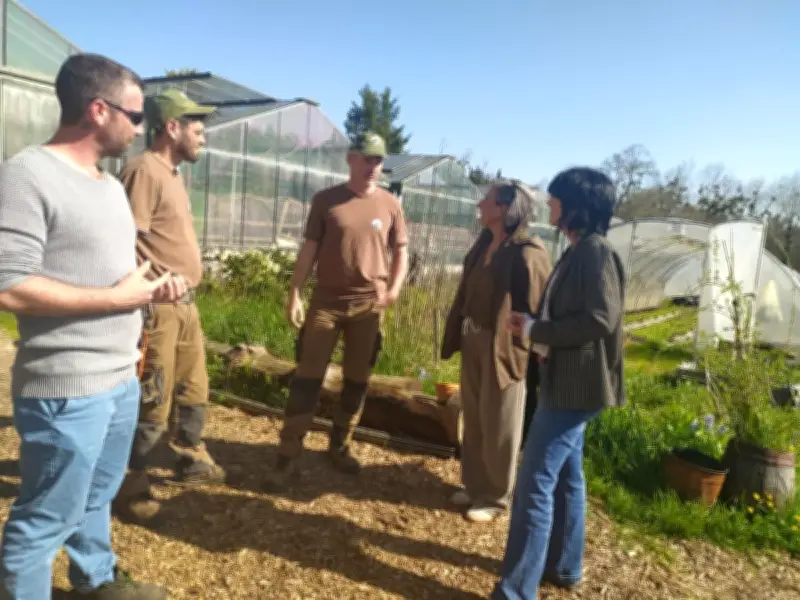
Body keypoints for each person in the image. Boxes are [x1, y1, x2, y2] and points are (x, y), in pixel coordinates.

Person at [0, 53, 179, 600]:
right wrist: (116, 297)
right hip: (66, 386)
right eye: (136, 113)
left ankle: (96, 582)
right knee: (43, 521)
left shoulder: (104, 185)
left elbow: (110, 272)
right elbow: (8, 285)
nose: (140, 126)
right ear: (98, 110)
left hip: (119, 378)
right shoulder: (27, 174)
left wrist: (148, 286)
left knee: (96, 496)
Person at [492, 167, 626, 599]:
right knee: (568, 477)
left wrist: (538, 332)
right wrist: (532, 325)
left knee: (534, 483)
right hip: (570, 381)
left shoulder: (595, 252)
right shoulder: (578, 249)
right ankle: (564, 566)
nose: (550, 204)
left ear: (576, 207)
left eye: (556, 199)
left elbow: (601, 319)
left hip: (575, 387)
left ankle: (516, 592)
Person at [113, 88, 224, 523]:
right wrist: (138, 297)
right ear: (171, 127)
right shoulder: (143, 171)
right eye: (197, 126)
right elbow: (122, 241)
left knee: (193, 391)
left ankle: (187, 456)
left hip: (185, 306)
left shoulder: (172, 173)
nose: (204, 135)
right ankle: (129, 481)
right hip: (157, 309)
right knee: (152, 399)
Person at [272, 131, 408, 482]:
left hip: (368, 305)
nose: (372, 167)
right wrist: (295, 292)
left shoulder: (391, 204)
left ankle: (340, 444)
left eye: (378, 160)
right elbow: (309, 249)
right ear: (351, 158)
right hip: (327, 304)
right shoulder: (327, 201)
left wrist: (393, 289)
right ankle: (289, 448)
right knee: (307, 377)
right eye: (366, 158)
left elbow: (402, 251)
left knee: (357, 379)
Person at [441, 181, 551, 523]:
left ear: (504, 208)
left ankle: (496, 497)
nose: (479, 203)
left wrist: (534, 348)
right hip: (474, 338)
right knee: (474, 416)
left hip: (504, 349)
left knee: (500, 421)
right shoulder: (485, 242)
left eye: (486, 200)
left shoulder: (527, 252)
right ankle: (475, 487)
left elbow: (540, 307)